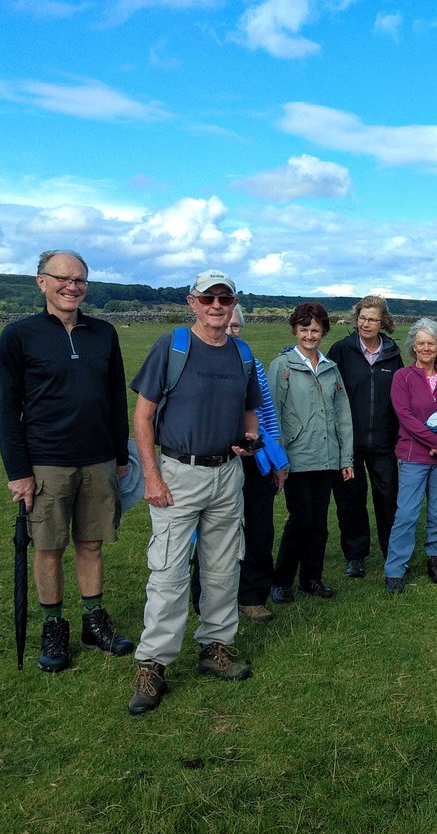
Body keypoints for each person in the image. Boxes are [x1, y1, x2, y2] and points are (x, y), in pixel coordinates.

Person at [127, 269, 263, 715]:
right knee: (168, 572)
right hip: (177, 473)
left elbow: (250, 410)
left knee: (223, 567)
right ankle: (153, 664)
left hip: (227, 474)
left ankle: (215, 649)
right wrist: (151, 476)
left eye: (225, 298)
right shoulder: (173, 346)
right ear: (192, 302)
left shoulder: (242, 353)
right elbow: (143, 416)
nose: (217, 306)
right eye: (209, 299)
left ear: (233, 303)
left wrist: (250, 437)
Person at [0, 249, 133, 672]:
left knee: (91, 544)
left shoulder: (103, 333)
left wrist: (120, 456)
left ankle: (94, 621)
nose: (72, 286)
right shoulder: (19, 336)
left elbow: (115, 398)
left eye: (80, 280)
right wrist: (18, 471)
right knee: (49, 548)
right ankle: (53, 626)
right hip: (46, 462)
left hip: (98, 459)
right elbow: (6, 406)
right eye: (63, 278)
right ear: (41, 281)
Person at [191, 307, 287, 623]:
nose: (231, 331)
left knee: (258, 527)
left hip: (253, 457)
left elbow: (267, 413)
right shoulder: (196, 361)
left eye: (236, 326)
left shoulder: (252, 364)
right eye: (227, 325)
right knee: (210, 531)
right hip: (212, 460)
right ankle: (203, 595)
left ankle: (251, 596)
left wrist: (278, 460)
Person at [268, 303, 355, 602]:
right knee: (300, 519)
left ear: (324, 332)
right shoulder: (282, 366)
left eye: (315, 330)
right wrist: (279, 460)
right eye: (304, 329)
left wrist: (346, 458)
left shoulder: (331, 368)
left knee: (319, 522)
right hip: (296, 456)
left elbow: (343, 414)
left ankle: (312, 578)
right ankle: (281, 580)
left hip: (328, 457)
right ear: (295, 330)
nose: (309, 335)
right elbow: (273, 414)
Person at [384, 319, 437, 594]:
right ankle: (395, 570)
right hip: (413, 456)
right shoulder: (402, 378)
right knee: (406, 514)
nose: (426, 348)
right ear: (413, 347)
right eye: (421, 343)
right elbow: (405, 417)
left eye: (431, 343)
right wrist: (434, 440)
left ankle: (436, 559)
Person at [327, 295, 403, 579]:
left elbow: (400, 396)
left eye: (372, 319)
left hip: (385, 441)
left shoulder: (393, 353)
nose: (366, 324)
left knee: (388, 499)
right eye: (362, 318)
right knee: (350, 500)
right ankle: (355, 556)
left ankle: (391, 552)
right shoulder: (341, 350)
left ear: (383, 322)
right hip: (349, 442)